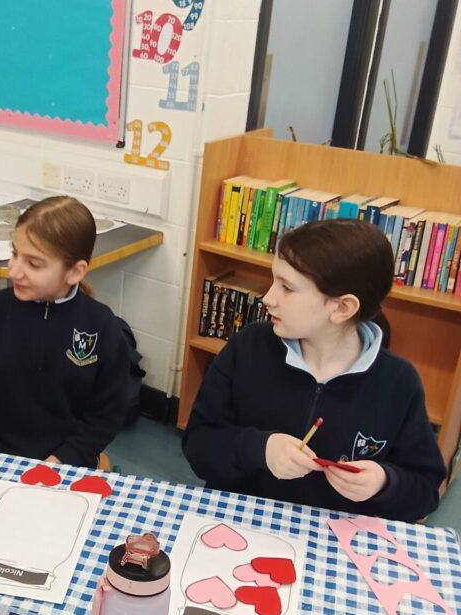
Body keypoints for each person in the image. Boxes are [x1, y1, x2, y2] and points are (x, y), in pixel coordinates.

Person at [182, 219, 446, 522]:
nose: (268, 298)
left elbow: (425, 491)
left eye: (287, 287)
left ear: (342, 308)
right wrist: (260, 449)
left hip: (332, 538)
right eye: (274, 280)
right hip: (240, 522)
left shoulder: (398, 383)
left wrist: (384, 483)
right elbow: (198, 444)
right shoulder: (248, 347)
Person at [0, 196, 130, 467]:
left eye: (33, 264)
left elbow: (106, 414)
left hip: (67, 463)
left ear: (75, 272)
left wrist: (64, 458)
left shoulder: (101, 326)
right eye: (14, 254)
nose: (14, 271)